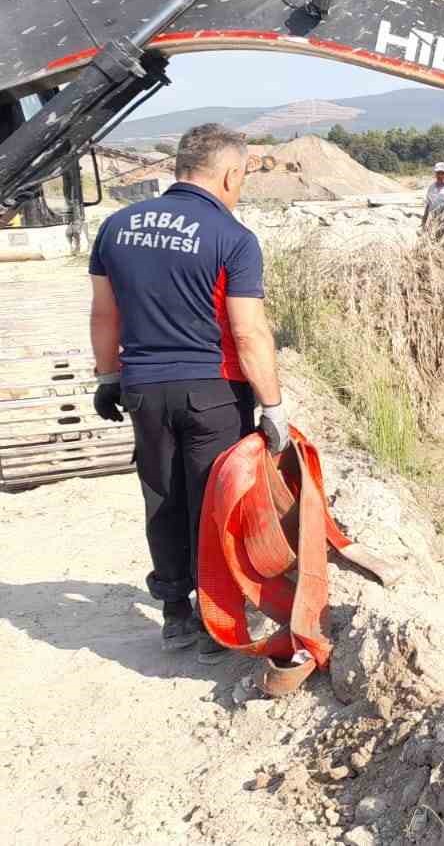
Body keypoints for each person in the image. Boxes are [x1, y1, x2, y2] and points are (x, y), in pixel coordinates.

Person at [88, 123, 289, 659]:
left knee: (162, 497)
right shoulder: (233, 237)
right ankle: (213, 621)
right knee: (214, 502)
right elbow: (248, 332)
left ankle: (175, 614)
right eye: (241, 177)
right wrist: (273, 407)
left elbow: (105, 314)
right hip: (212, 392)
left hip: (144, 389)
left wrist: (108, 378)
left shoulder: (115, 227)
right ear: (229, 173)